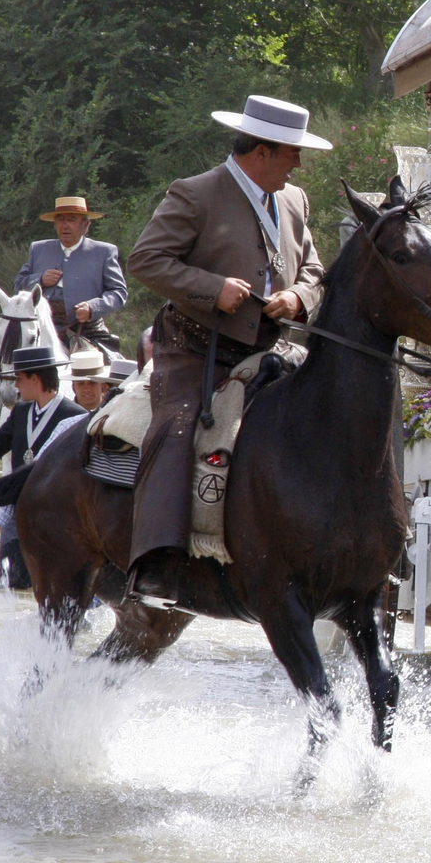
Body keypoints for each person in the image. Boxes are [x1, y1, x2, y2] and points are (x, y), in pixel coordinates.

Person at [124, 94, 329, 598]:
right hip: (196, 350)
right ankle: (156, 561)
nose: (298, 163)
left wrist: (297, 297)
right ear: (261, 152)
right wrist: (213, 288)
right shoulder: (194, 194)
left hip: (270, 350)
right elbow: (146, 261)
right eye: (291, 153)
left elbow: (316, 272)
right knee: (175, 429)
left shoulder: (295, 201)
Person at [0, 346, 88, 588]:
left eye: (19, 379)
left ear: (35, 378)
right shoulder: (21, 411)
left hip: (55, 519)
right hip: (17, 512)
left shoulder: (74, 416)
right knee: (11, 587)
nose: (16, 387)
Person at [15, 195, 128, 352]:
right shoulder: (38, 249)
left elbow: (118, 293)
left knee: (108, 369)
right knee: (4, 362)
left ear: (85, 225)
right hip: (40, 329)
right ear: (55, 224)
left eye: (71, 220)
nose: (65, 225)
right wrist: (39, 279)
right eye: (60, 220)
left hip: (88, 331)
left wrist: (92, 308)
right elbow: (18, 285)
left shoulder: (103, 252)